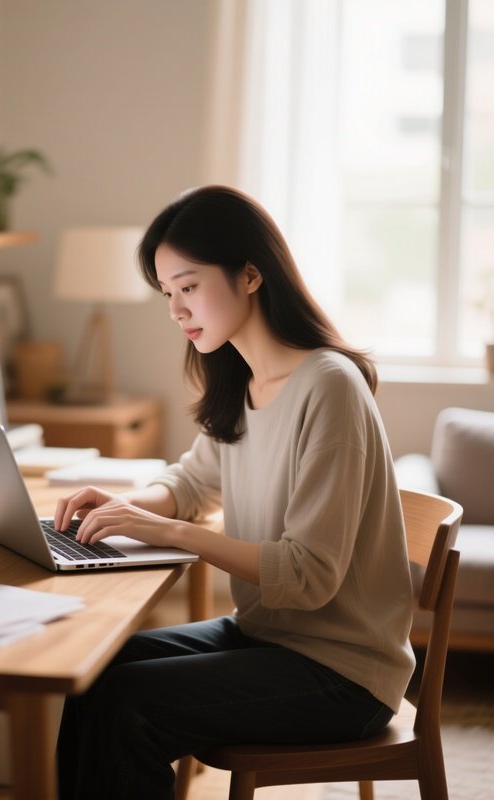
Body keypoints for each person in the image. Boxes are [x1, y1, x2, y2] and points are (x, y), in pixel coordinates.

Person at [54, 185, 415, 799]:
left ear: (251, 275)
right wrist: (122, 505)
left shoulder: (329, 386)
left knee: (127, 704)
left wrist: (166, 532)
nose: (174, 309)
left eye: (188, 287)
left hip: (343, 672)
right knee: (91, 670)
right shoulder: (244, 382)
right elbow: (192, 483)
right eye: (167, 292)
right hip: (269, 639)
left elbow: (309, 576)